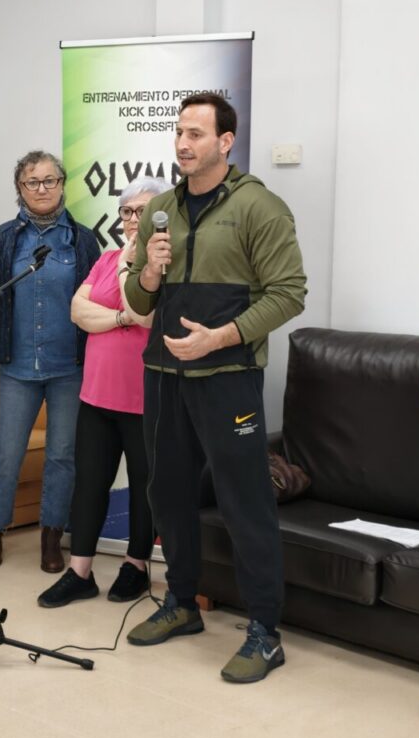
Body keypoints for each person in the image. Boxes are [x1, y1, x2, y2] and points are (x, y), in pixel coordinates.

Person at [124, 92, 307, 683]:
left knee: (243, 501)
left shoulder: (260, 207)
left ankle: (264, 632)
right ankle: (180, 603)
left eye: (196, 134)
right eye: (179, 132)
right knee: (168, 494)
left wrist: (221, 337)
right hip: (164, 376)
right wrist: (148, 271)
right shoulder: (162, 211)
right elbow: (135, 298)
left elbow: (289, 293)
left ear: (225, 142)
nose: (182, 143)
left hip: (227, 378)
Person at [37, 177, 170, 608]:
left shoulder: (165, 265)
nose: (133, 220)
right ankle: (80, 572)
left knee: (145, 485)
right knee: (90, 482)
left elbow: (146, 316)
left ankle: (135, 564)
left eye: (143, 211)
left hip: (144, 397)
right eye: (128, 212)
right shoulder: (107, 257)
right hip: (96, 395)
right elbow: (78, 311)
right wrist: (118, 317)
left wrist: (124, 286)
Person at [0, 150, 100, 572]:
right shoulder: (5, 238)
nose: (42, 189)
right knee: (6, 454)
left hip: (69, 368)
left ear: (63, 184)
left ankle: (50, 536)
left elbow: (96, 302)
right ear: (19, 189)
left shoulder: (82, 240)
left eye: (50, 180)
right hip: (17, 368)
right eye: (32, 182)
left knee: (63, 455)